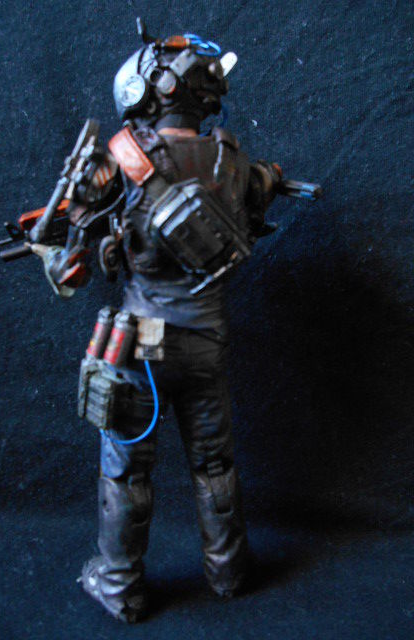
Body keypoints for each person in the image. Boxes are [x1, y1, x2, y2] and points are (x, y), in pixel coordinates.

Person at [32, 23, 282, 623]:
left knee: (126, 471)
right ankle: (229, 571)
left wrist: (63, 251)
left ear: (148, 88)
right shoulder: (232, 159)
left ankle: (121, 585)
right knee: (215, 464)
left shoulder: (121, 159)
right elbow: (257, 207)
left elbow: (71, 266)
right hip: (208, 339)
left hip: (140, 343)